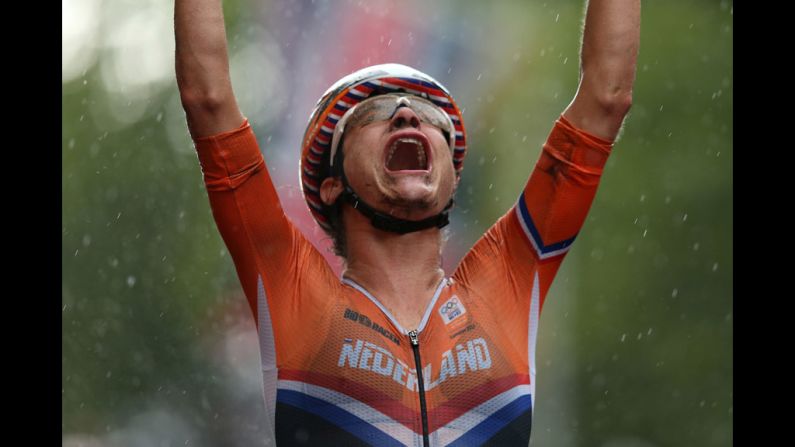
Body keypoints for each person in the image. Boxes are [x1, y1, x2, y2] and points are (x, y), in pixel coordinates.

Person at [175, 0, 639, 445]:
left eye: (430, 116)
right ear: (332, 184)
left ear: (453, 178)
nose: (405, 114)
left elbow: (606, 97)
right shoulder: (293, 290)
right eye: (373, 114)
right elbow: (207, 98)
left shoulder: (508, 278)